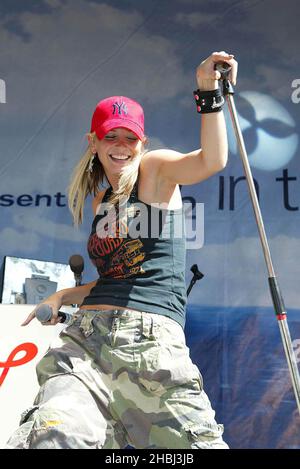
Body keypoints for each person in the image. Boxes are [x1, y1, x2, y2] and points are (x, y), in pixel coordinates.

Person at [7, 51, 237, 449]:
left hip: (147, 345)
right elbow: (113, 280)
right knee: (55, 437)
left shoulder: (156, 170)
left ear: (142, 142)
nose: (121, 145)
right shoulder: (99, 202)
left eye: (130, 137)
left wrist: (207, 90)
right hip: (84, 342)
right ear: (93, 141)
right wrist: (63, 295)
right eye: (111, 135)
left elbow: (212, 160)